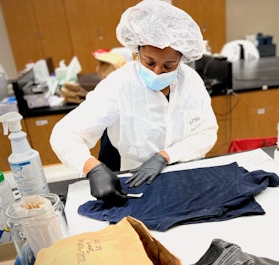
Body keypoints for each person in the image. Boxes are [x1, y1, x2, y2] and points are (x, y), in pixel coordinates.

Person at [50, 0, 218, 203]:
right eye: (150, 62)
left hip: (183, 175)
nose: (157, 72)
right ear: (137, 52)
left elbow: (207, 132)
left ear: (181, 59)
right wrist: (91, 168)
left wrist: (165, 156)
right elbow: (65, 133)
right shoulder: (119, 84)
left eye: (168, 66)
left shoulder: (191, 82)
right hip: (135, 181)